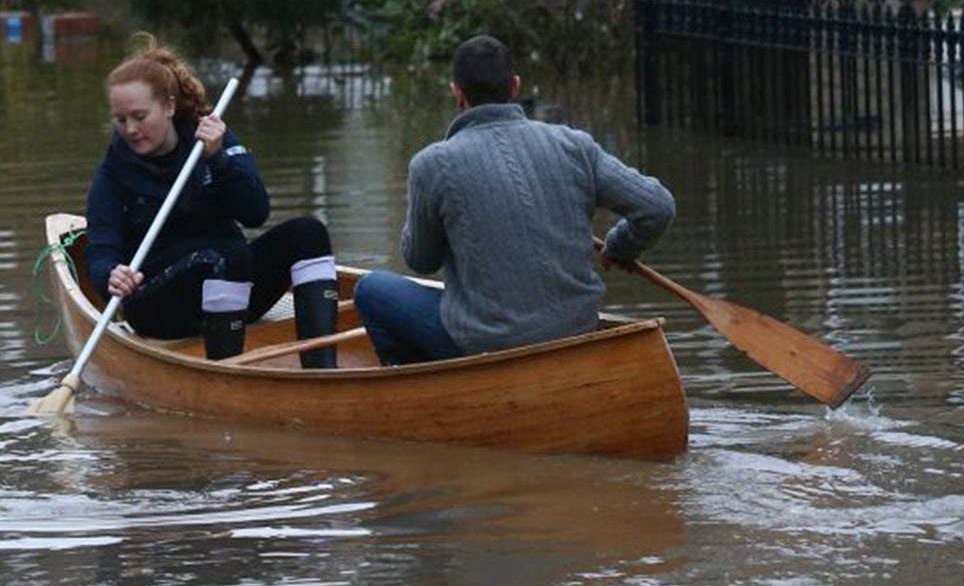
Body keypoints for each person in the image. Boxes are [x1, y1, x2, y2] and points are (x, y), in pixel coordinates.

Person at [355, 34, 674, 366]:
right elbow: (657, 207)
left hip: (489, 344)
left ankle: (426, 395)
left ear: (457, 93)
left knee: (371, 289)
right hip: (577, 330)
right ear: (516, 87)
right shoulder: (574, 145)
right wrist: (621, 245)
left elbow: (421, 260)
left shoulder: (432, 164)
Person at [85, 44, 342, 367]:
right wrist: (111, 274)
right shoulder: (112, 175)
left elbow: (256, 213)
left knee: (308, 233)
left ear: (168, 106)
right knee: (224, 255)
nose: (131, 130)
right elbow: (99, 251)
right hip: (159, 306)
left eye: (139, 116)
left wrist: (218, 160)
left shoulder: (211, 137)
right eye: (121, 120)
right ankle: (226, 376)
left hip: (233, 291)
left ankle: (322, 370)